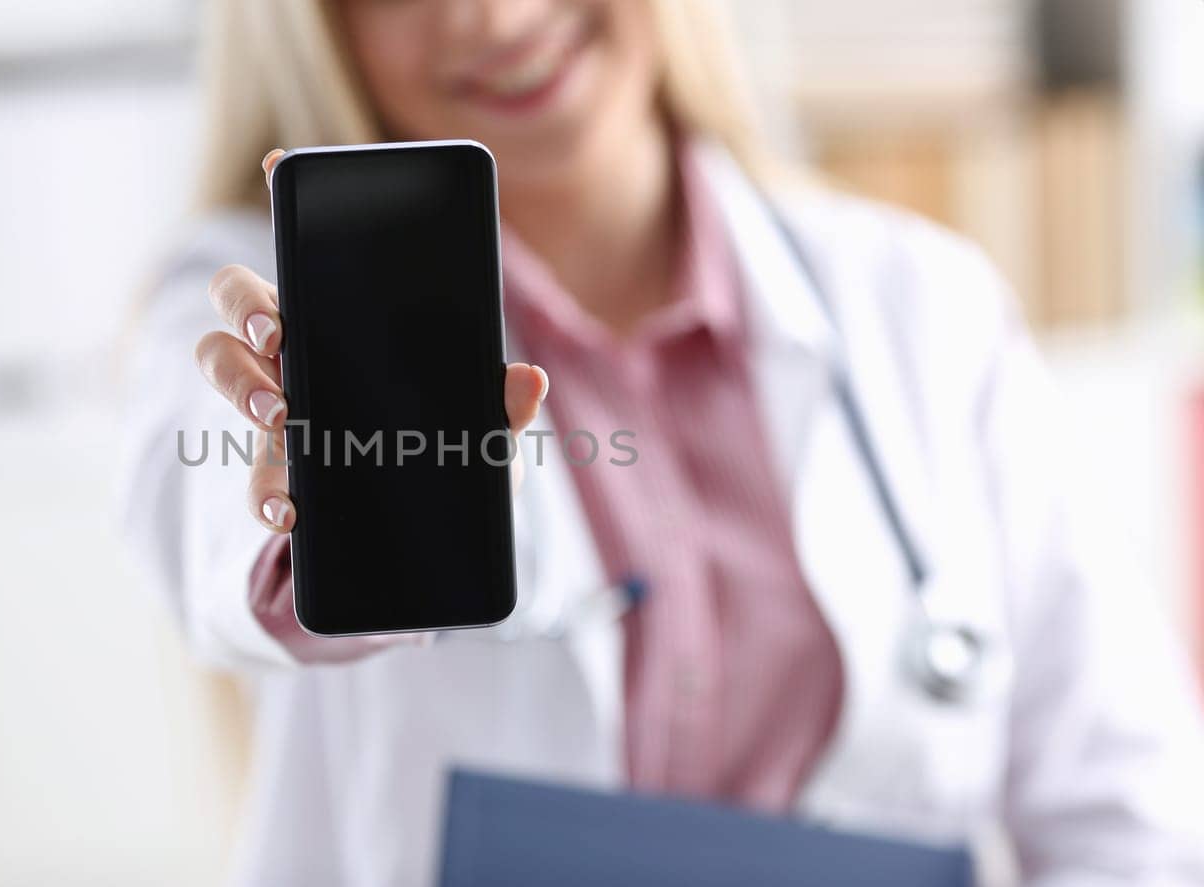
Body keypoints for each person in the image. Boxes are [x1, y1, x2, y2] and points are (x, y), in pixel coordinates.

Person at [123, 1, 1204, 884]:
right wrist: (299, 521)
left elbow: (1126, 811)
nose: (490, 17)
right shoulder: (252, 299)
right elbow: (205, 514)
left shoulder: (920, 304)